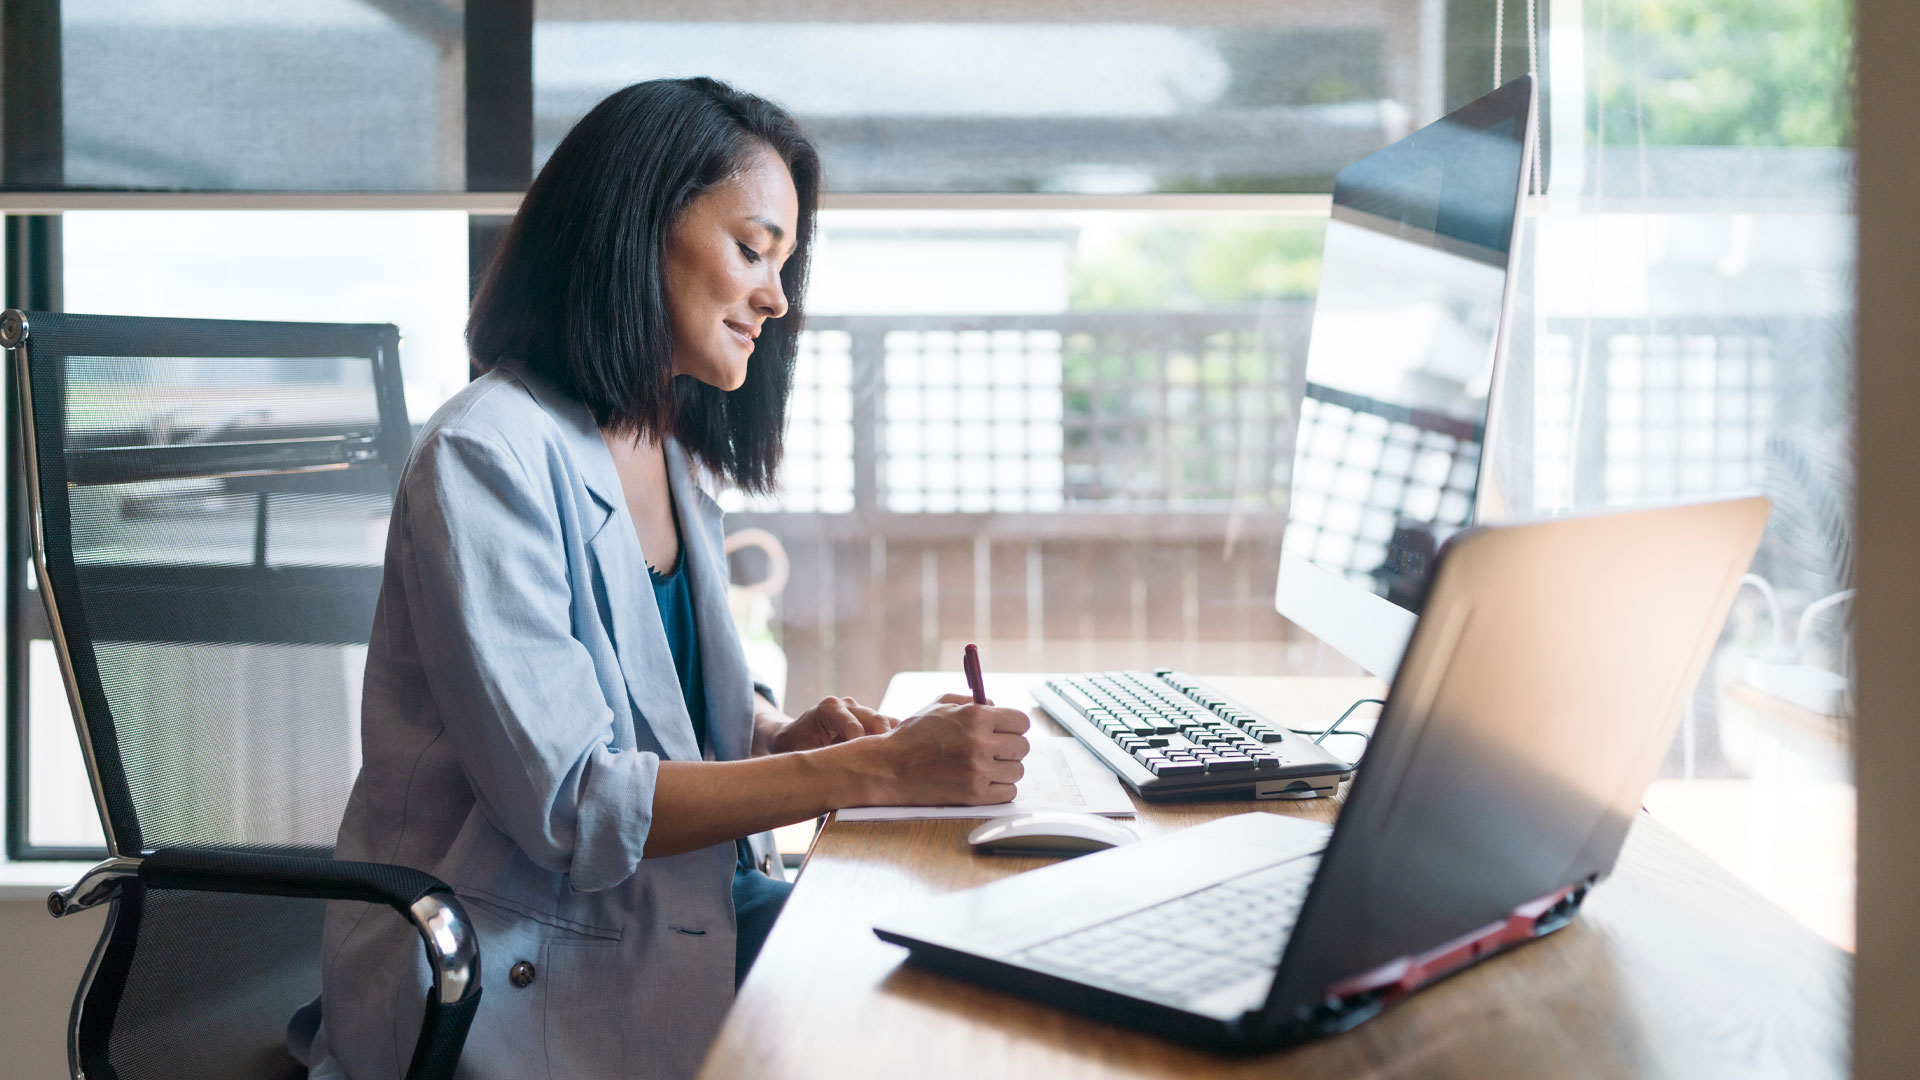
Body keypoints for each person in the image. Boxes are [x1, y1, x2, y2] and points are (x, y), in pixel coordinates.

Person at [292, 78, 1031, 1080]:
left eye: (784, 262)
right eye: (753, 248)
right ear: (637, 229)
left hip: (664, 920)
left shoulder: (659, 445)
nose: (777, 295)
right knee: (939, 1020)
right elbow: (575, 804)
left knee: (984, 955)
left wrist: (774, 737)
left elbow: (650, 710)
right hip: (516, 977)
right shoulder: (487, 455)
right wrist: (877, 772)